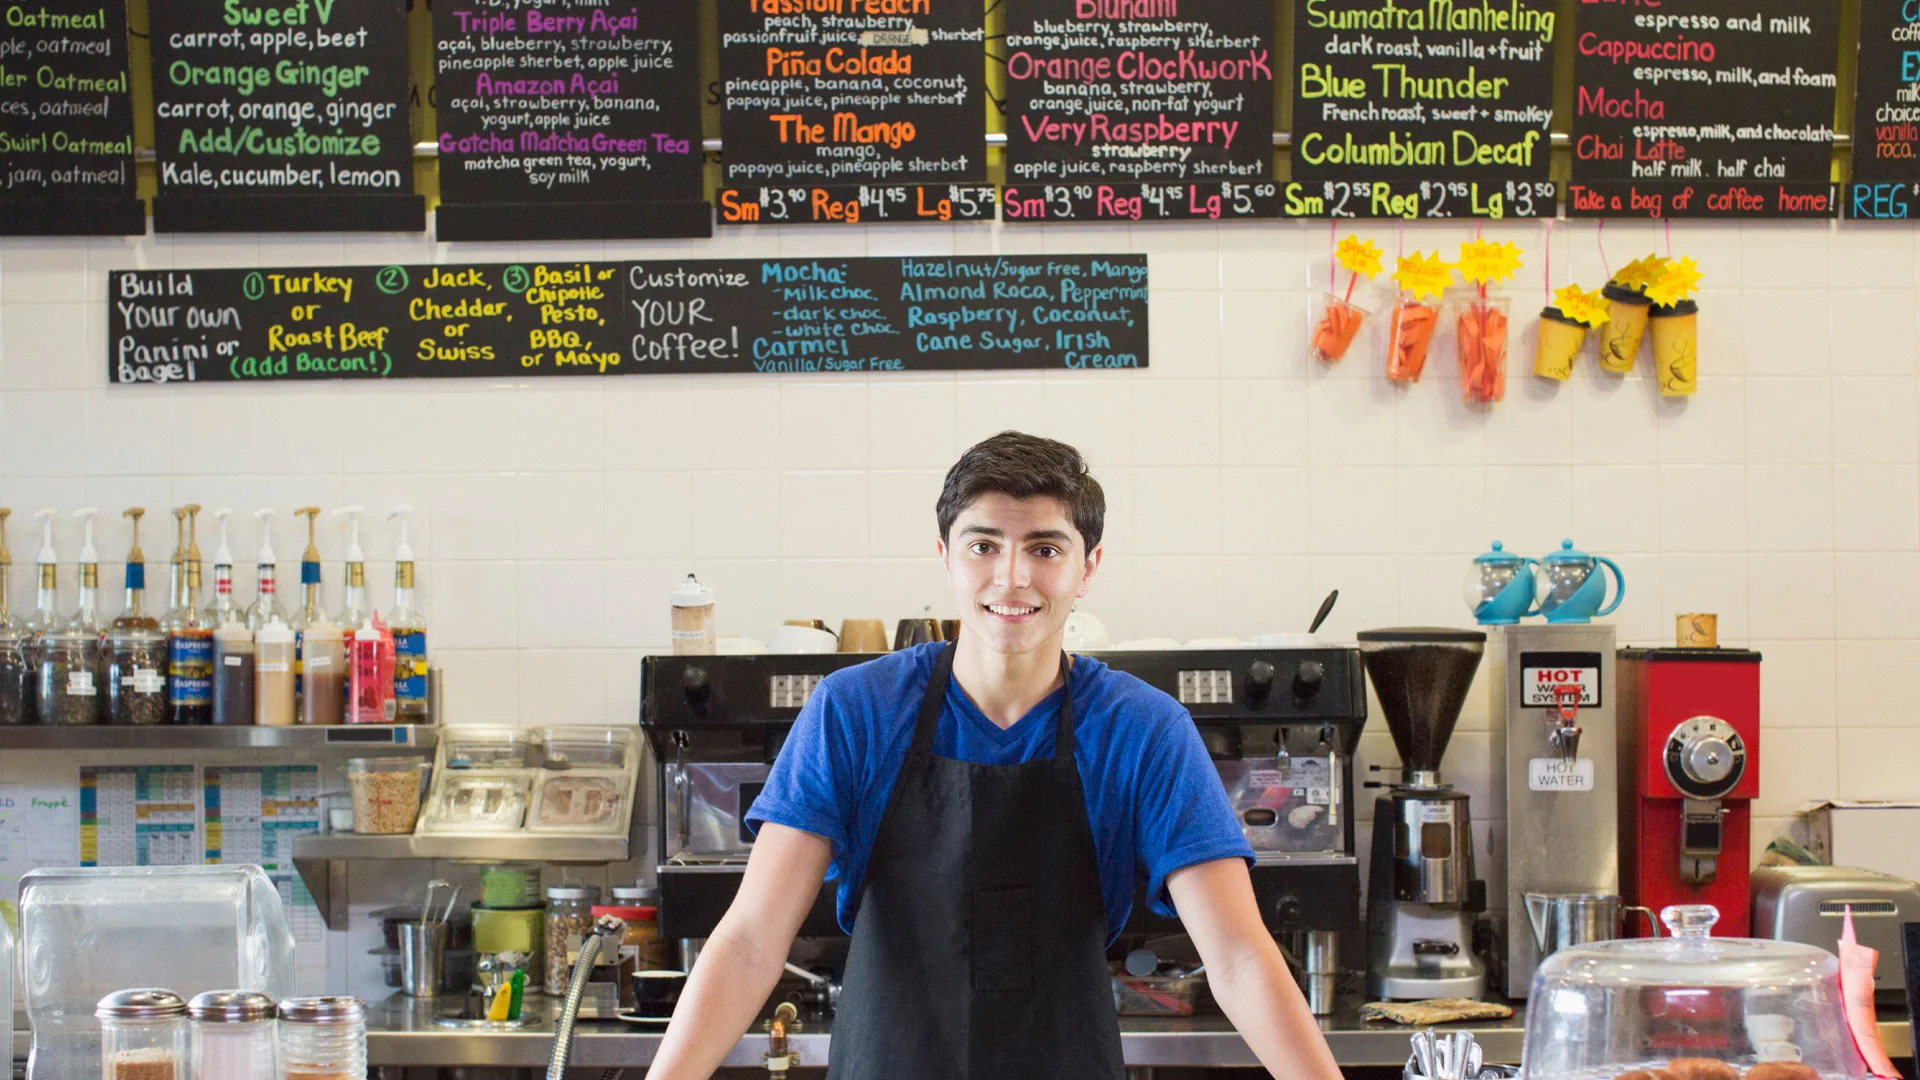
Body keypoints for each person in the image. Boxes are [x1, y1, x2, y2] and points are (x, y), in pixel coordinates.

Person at [646, 431, 1343, 1080]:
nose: (1011, 578)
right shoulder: (855, 711)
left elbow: (1240, 957)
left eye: (1045, 549)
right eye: (984, 546)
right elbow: (750, 943)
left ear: (1088, 567)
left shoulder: (1143, 729)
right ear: (946, 556)